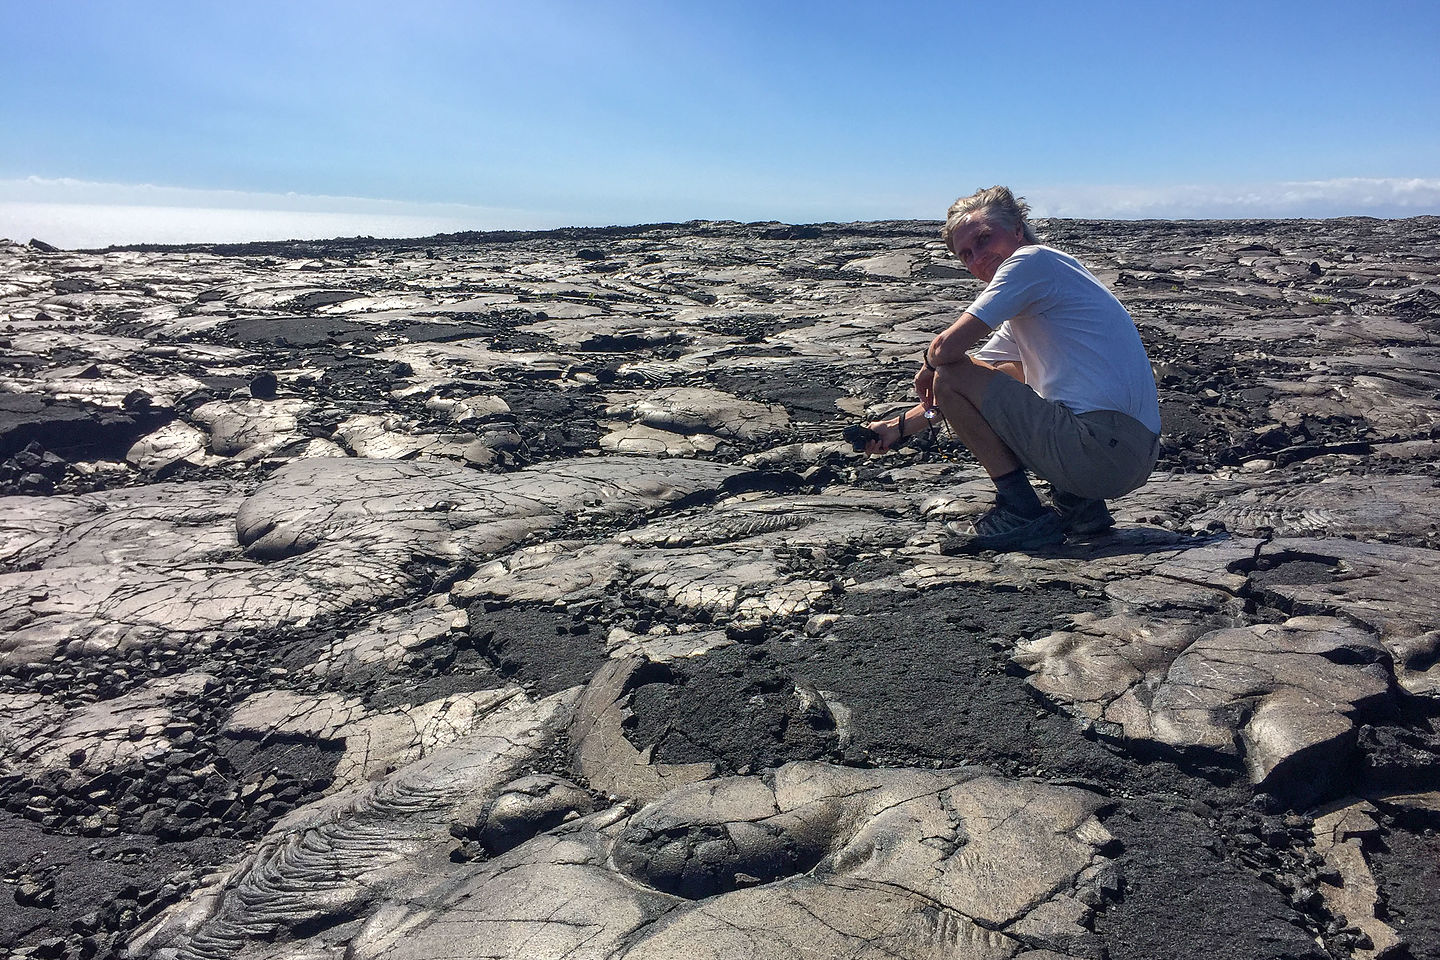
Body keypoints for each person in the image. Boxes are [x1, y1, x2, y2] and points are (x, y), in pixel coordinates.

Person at [865, 185, 1161, 551]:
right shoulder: (1048, 281)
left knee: (952, 371)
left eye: (984, 239)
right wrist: (896, 428)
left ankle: (1021, 511)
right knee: (1000, 376)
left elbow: (948, 356)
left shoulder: (1031, 261)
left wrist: (929, 362)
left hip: (1100, 449)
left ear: (1018, 229)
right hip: (1129, 453)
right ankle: (1081, 509)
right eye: (966, 255)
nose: (978, 259)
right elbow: (974, 388)